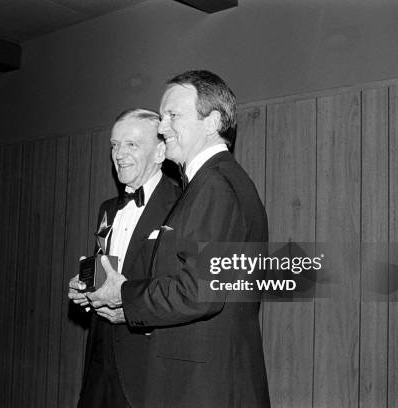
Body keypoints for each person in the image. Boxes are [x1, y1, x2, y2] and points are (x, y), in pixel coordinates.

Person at [88, 71, 271, 407]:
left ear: (212, 122)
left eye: (173, 115)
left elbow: (200, 292)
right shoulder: (215, 182)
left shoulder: (215, 186)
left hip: (204, 388)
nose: (162, 127)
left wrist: (124, 294)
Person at [68, 108, 181, 408]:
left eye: (132, 144)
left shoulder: (181, 206)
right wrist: (86, 285)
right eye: (115, 145)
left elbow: (184, 291)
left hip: (145, 366)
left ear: (160, 152)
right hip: (99, 360)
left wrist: (133, 311)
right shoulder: (107, 208)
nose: (119, 154)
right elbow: (108, 269)